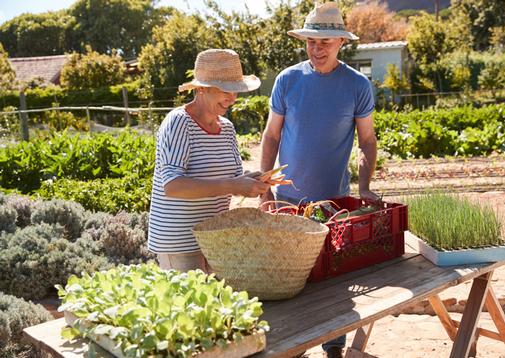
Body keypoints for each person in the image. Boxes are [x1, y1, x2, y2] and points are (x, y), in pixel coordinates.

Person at [259, 3, 379, 357]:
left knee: (332, 284)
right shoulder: (288, 80)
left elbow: (367, 141)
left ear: (341, 41)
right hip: (287, 204)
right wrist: (265, 188)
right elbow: (270, 136)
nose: (316, 48)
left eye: (324, 41)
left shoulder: (357, 85)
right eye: (310, 41)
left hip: (333, 206)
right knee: (288, 281)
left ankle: (334, 349)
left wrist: (365, 186)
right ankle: (294, 349)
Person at [148, 49, 270, 273]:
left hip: (215, 239)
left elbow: (231, 179)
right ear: (202, 88)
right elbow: (173, 186)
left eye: (236, 91)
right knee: (190, 306)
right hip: (180, 241)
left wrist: (250, 181)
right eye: (226, 90)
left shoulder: (226, 128)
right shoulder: (179, 123)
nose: (233, 98)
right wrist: (234, 185)